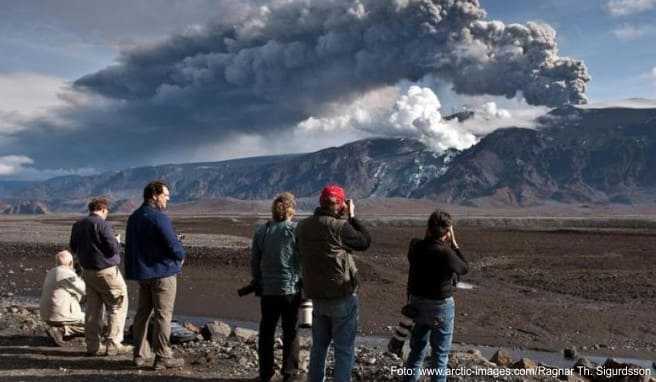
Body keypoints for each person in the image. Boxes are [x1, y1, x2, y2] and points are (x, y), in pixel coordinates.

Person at [296, 184, 371, 382]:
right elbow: (364, 242)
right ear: (340, 205)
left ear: (320, 202)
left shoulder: (303, 226)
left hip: (317, 297)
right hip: (341, 296)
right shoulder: (340, 227)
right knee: (344, 350)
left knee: (319, 347)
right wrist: (352, 217)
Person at [125, 180, 186, 369]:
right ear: (154, 195)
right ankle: (162, 356)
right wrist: (181, 255)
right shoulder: (159, 217)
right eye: (165, 195)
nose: (167, 199)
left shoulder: (134, 217)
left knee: (143, 313)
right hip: (162, 273)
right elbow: (173, 245)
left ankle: (139, 354)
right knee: (163, 315)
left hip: (143, 273)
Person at [403, 210, 468, 382]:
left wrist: (432, 235)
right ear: (447, 232)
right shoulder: (446, 253)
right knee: (439, 356)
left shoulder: (415, 246)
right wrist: (454, 243)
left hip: (417, 305)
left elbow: (420, 249)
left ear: (428, 228)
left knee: (416, 353)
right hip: (440, 307)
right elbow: (464, 268)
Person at [70, 197, 130, 356]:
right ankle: (114, 343)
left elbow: (73, 247)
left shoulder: (78, 225)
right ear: (103, 210)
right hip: (106, 271)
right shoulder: (103, 224)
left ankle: (92, 345)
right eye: (106, 212)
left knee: (93, 310)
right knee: (118, 305)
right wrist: (117, 241)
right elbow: (112, 249)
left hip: (87, 272)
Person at [251, 192, 302, 382]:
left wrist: (257, 281)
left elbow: (255, 261)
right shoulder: (295, 230)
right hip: (290, 289)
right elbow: (302, 259)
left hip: (268, 290)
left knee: (266, 331)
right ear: (291, 210)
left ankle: (265, 373)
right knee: (291, 332)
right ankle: (289, 373)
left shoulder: (262, 231)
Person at [40, 250, 86, 346]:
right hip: (59, 315)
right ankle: (62, 330)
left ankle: (62, 329)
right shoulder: (66, 274)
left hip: (47, 314)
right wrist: (81, 276)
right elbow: (84, 291)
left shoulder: (51, 272)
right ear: (70, 262)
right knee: (95, 324)